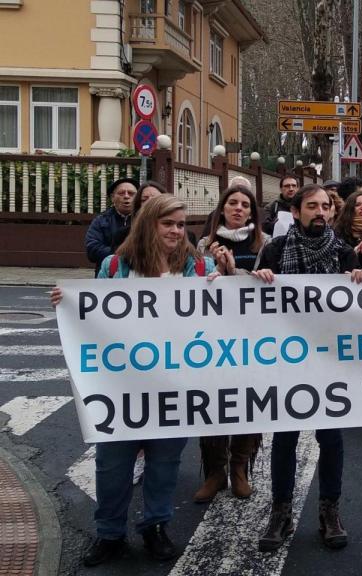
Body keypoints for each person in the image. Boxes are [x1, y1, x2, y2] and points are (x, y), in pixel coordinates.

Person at [51, 195, 219, 567]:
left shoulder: (197, 266)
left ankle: (155, 526)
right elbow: (92, 313)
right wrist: (67, 301)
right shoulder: (115, 267)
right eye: (168, 224)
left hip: (174, 385)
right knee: (112, 464)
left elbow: (218, 319)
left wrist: (220, 288)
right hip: (120, 387)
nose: (177, 231)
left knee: (164, 463)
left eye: (180, 224)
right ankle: (109, 533)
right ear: (148, 224)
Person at [253, 184, 362, 552]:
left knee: (331, 438)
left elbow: (361, 312)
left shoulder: (345, 254)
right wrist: (258, 281)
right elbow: (248, 307)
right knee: (284, 437)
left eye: (326, 206)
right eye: (312, 206)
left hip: (331, 361)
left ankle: (329, 512)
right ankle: (281, 512)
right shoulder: (275, 250)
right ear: (296, 210)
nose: (320, 212)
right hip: (286, 360)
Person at [191, 185, 268, 503]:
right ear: (221, 209)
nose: (238, 208)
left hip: (253, 336)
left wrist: (234, 271)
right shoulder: (204, 244)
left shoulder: (265, 243)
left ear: (252, 212)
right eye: (232, 203)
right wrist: (214, 270)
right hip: (213, 336)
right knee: (212, 403)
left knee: (248, 402)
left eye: (244, 205)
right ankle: (214, 471)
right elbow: (189, 290)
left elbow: (271, 284)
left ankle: (240, 468)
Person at [85, 177, 137, 276]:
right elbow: (92, 250)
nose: (126, 196)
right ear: (113, 197)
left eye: (131, 193)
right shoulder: (101, 221)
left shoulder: (145, 220)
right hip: (107, 276)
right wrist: (125, 252)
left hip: (138, 276)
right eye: (121, 193)